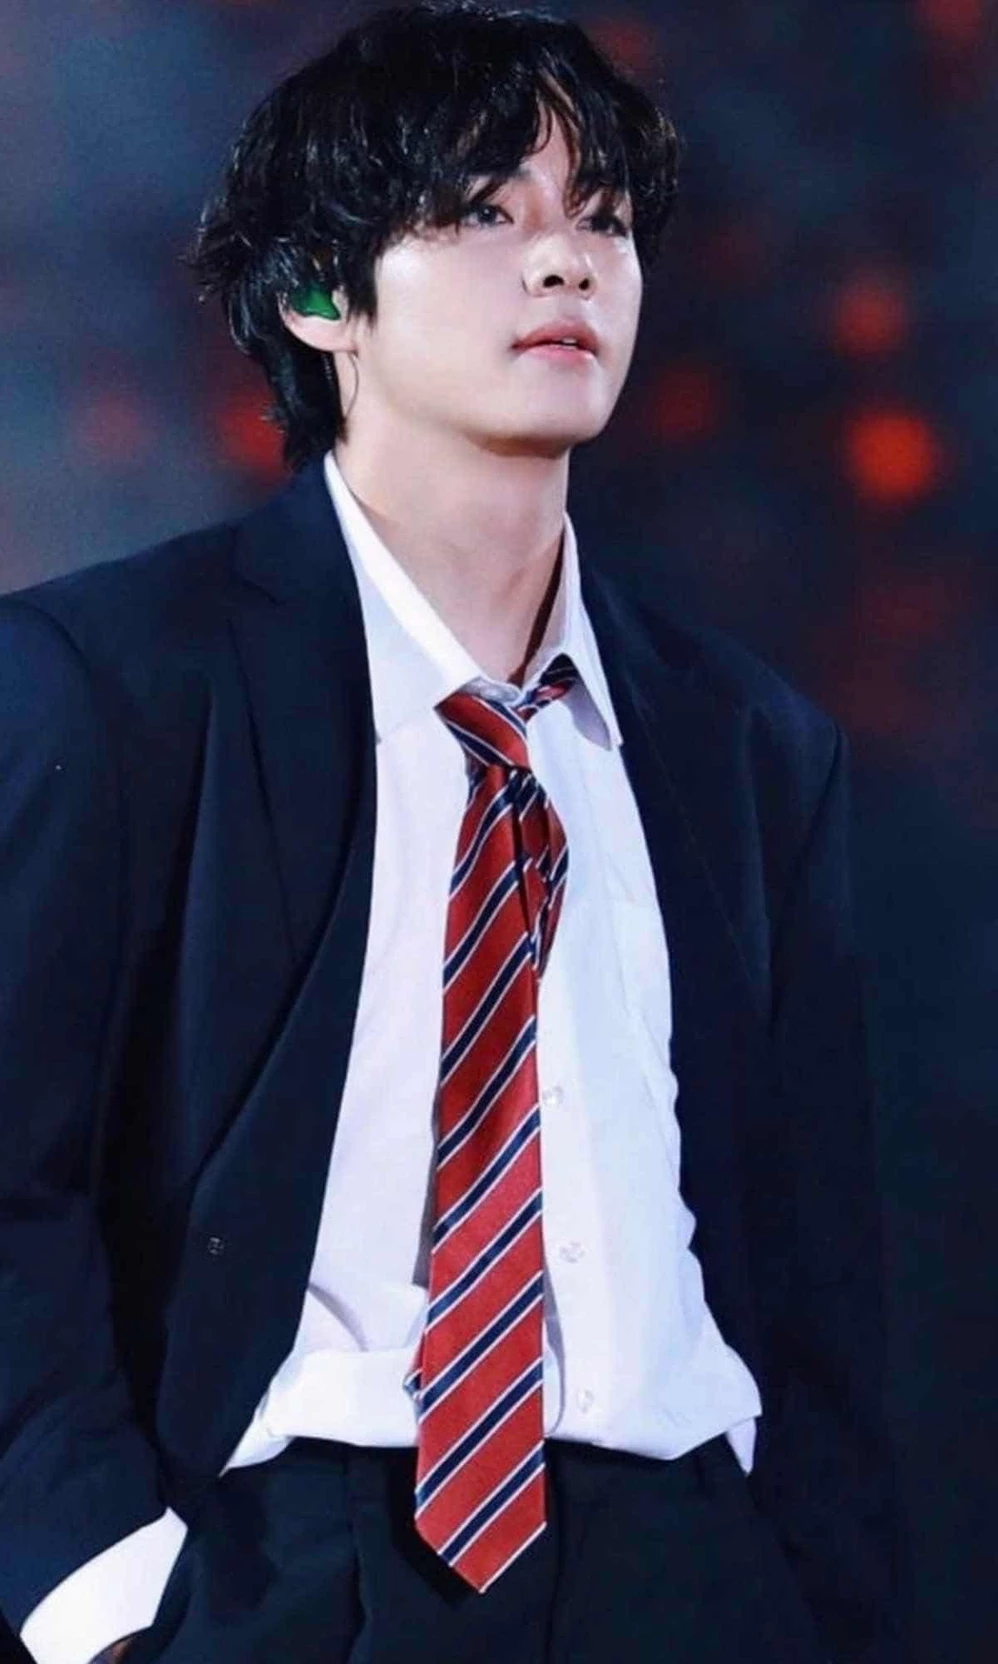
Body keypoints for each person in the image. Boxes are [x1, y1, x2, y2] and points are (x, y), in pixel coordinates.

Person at [0, 3, 909, 1661]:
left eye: (602, 219)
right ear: (318, 295)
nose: (565, 262)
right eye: (484, 211)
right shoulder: (116, 683)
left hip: (686, 1568)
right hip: (285, 1557)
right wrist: (105, 1599)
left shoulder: (746, 747)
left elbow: (820, 1277)